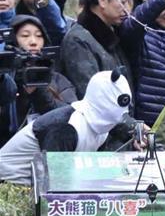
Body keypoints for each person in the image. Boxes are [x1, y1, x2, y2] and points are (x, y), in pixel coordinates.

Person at [0, 70, 131, 182]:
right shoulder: (66, 127)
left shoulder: (101, 128)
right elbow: (53, 180)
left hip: (35, 186)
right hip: (11, 186)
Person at [0, 15, 76, 147]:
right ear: (13, 41)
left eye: (39, 36)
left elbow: (73, 115)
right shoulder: (5, 79)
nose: (33, 42)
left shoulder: (58, 79)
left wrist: (37, 91)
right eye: (25, 36)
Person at [60, 0, 137, 98]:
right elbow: (92, 96)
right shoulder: (78, 40)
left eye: (130, 1)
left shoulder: (114, 32)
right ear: (102, 0)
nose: (127, 9)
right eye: (122, 1)